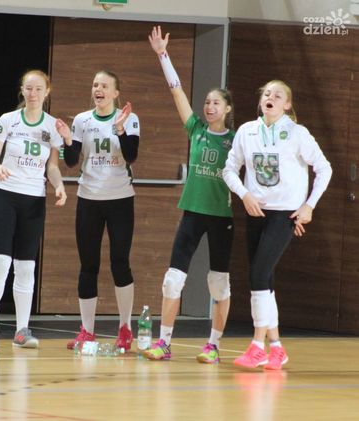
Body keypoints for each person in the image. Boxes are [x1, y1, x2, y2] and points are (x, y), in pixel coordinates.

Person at [223, 80, 332, 370]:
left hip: (284, 216)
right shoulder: (247, 131)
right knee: (265, 279)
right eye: (267, 94)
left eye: (277, 95)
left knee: (258, 274)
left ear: (287, 104)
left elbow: (324, 169)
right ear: (261, 101)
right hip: (256, 212)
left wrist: (309, 205)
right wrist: (244, 195)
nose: (270, 97)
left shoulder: (297, 133)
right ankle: (277, 348)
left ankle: (257, 346)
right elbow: (229, 170)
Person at [143, 26, 235, 363]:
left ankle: (213, 346)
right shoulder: (196, 129)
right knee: (173, 280)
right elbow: (176, 91)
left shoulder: (237, 140)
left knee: (218, 284)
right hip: (193, 212)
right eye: (207, 102)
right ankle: (164, 343)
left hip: (222, 216)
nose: (209, 106)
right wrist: (162, 55)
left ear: (227, 109)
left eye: (216, 103)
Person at [0, 69, 71, 349]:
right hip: (3, 195)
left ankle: (22, 330)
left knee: (26, 265)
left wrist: (59, 186)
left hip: (33, 199)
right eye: (28, 88)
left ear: (47, 92)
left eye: (38, 89)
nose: (33, 94)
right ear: (22, 90)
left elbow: (52, 166)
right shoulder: (8, 120)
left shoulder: (52, 126)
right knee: (0, 262)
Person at [62, 70, 140, 352]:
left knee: (120, 263)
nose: (99, 89)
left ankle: (125, 329)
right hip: (89, 199)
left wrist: (120, 129)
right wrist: (67, 140)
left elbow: (131, 155)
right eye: (96, 84)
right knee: (88, 265)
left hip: (120, 199)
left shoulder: (129, 118)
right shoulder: (82, 120)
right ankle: (87, 331)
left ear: (116, 93)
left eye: (105, 86)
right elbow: (71, 162)